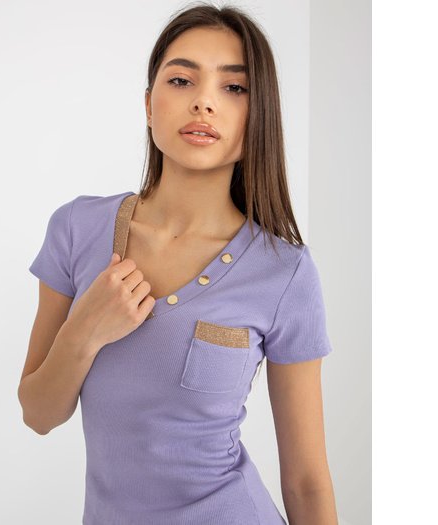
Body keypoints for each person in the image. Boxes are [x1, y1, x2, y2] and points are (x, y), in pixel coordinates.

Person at [18, 3, 338, 524]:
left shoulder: (284, 272)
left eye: (234, 87)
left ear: (257, 116)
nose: (204, 102)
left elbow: (306, 480)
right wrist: (85, 330)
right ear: (149, 104)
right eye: (182, 80)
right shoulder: (77, 228)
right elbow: (38, 413)